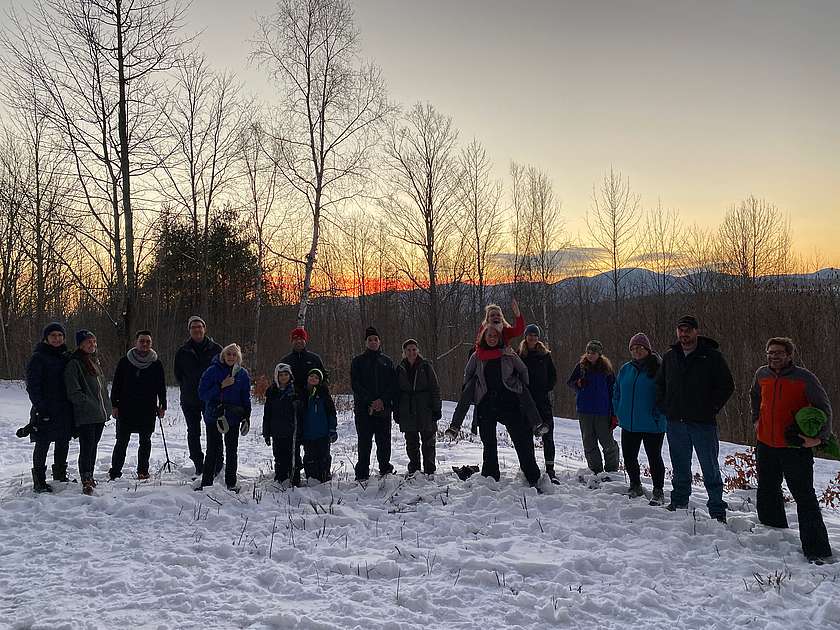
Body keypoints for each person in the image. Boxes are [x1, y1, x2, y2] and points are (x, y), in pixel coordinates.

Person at [750, 336, 834, 563]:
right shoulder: (762, 374)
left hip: (794, 446)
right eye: (770, 352)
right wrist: (756, 420)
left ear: (789, 355)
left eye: (778, 353)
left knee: (804, 496)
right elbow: (755, 396)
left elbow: (824, 408)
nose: (773, 356)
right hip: (766, 443)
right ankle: (773, 532)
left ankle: (817, 550)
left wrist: (818, 439)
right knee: (767, 488)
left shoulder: (804, 378)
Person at [656, 315, 734, 522]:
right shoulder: (670, 357)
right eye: (680, 330)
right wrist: (665, 407)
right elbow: (660, 384)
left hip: (702, 423)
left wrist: (711, 408)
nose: (684, 334)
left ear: (696, 331)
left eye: (688, 330)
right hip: (675, 422)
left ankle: (717, 510)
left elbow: (727, 386)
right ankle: (679, 501)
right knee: (680, 465)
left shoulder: (711, 356)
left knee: (710, 468)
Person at [448, 326, 542, 487]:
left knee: (521, 440)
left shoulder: (508, 353)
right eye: (489, 336)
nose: (492, 338)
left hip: (508, 401)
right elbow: (468, 374)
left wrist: (519, 387)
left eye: (495, 336)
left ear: (499, 338)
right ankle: (491, 476)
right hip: (486, 402)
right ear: (484, 337)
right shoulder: (477, 355)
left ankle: (532, 475)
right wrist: (474, 391)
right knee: (489, 443)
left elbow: (523, 370)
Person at [613, 333, 666, 505]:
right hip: (629, 423)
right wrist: (619, 410)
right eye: (633, 349)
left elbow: (666, 394)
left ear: (647, 349)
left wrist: (659, 414)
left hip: (652, 423)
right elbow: (617, 391)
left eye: (640, 348)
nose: (636, 351)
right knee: (629, 456)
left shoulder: (658, 368)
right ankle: (635, 485)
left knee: (654, 457)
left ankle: (658, 490)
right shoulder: (626, 369)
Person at [108, 330, 167, 481]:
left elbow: (161, 386)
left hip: (147, 408)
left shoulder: (156, 363)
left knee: (145, 442)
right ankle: (115, 471)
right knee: (121, 441)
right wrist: (114, 405)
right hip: (126, 407)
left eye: (148, 341)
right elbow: (116, 385)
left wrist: (163, 405)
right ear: (136, 342)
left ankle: (143, 471)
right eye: (142, 341)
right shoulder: (124, 361)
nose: (145, 344)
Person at [25, 323, 74, 493]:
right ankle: (39, 481)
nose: (57, 339)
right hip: (45, 408)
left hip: (64, 408)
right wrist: (40, 406)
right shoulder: (38, 357)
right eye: (53, 335)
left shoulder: (66, 356)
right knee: (42, 443)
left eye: (60, 335)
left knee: (63, 441)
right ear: (46, 338)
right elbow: (32, 386)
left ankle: (60, 474)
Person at [197, 343, 251, 492]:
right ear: (223, 355)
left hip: (233, 417)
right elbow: (202, 394)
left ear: (238, 357)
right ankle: (206, 483)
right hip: (214, 415)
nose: (231, 357)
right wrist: (221, 385)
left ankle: (231, 483)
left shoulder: (243, 374)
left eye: (234, 355)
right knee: (212, 450)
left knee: (232, 450)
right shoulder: (212, 371)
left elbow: (246, 398)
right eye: (229, 354)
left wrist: (247, 416)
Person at [174, 316, 223, 477]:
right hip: (190, 399)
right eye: (193, 327)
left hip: (212, 398)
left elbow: (224, 371)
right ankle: (198, 463)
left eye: (199, 326)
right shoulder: (183, 351)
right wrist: (189, 387)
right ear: (189, 330)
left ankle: (217, 462)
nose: (197, 329)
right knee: (193, 432)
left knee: (215, 431)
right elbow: (178, 375)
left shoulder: (216, 349)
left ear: (205, 328)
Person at [64, 330, 112, 495]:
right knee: (86, 447)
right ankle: (85, 478)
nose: (92, 345)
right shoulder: (74, 363)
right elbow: (73, 391)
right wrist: (87, 405)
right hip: (86, 414)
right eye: (88, 342)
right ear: (80, 344)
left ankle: (90, 475)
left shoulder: (94, 361)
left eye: (94, 341)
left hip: (99, 414)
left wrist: (107, 406)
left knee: (93, 447)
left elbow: (101, 389)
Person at [350, 326, 397, 480]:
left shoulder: (387, 361)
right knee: (364, 442)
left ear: (379, 341)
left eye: (375, 339)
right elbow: (355, 384)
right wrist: (370, 400)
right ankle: (362, 472)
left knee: (384, 441)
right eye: (370, 340)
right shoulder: (358, 361)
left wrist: (382, 400)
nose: (373, 342)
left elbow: (392, 384)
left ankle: (385, 468)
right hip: (364, 409)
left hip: (383, 409)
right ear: (365, 342)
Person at [567, 340, 619, 478]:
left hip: (603, 411)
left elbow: (613, 391)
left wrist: (614, 414)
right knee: (589, 442)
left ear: (599, 354)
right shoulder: (581, 367)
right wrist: (578, 384)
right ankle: (596, 471)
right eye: (588, 352)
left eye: (593, 352)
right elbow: (570, 383)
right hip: (585, 411)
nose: (590, 355)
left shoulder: (607, 370)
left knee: (607, 442)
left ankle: (612, 471)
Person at [279, 326, 326, 478]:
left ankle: (315, 471)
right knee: (293, 440)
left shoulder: (314, 359)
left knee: (311, 440)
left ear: (305, 340)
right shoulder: (286, 361)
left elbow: (324, 380)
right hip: (292, 407)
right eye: (296, 339)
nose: (299, 341)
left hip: (312, 406)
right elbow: (280, 382)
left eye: (301, 338)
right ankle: (293, 472)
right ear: (292, 341)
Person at [395, 339, 442, 477]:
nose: (411, 352)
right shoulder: (400, 368)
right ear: (404, 352)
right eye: (408, 350)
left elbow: (435, 388)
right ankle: (414, 469)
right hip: (407, 408)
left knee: (428, 441)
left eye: (414, 349)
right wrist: (396, 411)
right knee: (411, 442)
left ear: (418, 351)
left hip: (425, 407)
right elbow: (396, 392)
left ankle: (429, 469)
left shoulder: (426, 366)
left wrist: (436, 408)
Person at [519, 324, 558, 483]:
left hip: (543, 401)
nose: (532, 338)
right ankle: (530, 467)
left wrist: (544, 388)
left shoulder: (545, 355)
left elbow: (553, 376)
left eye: (535, 335)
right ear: (525, 337)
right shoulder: (520, 354)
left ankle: (550, 469)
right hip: (526, 401)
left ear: (538, 337)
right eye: (530, 335)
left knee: (548, 435)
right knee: (526, 436)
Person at [262, 363, 301, 485]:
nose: (283, 377)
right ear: (276, 376)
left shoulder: (295, 391)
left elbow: (301, 412)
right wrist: (266, 433)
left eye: (286, 374)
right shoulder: (272, 392)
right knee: (279, 456)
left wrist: (298, 404)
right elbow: (267, 414)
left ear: (290, 376)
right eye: (281, 375)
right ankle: (280, 478)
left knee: (293, 455)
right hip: (277, 430)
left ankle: (294, 478)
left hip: (292, 431)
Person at [298, 368, 337, 482]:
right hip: (307, 434)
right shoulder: (302, 393)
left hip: (323, 433)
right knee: (310, 456)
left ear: (319, 380)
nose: (313, 379)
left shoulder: (324, 393)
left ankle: (325, 477)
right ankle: (311, 477)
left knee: (324, 457)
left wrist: (332, 428)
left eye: (316, 377)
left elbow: (331, 412)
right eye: (311, 376)